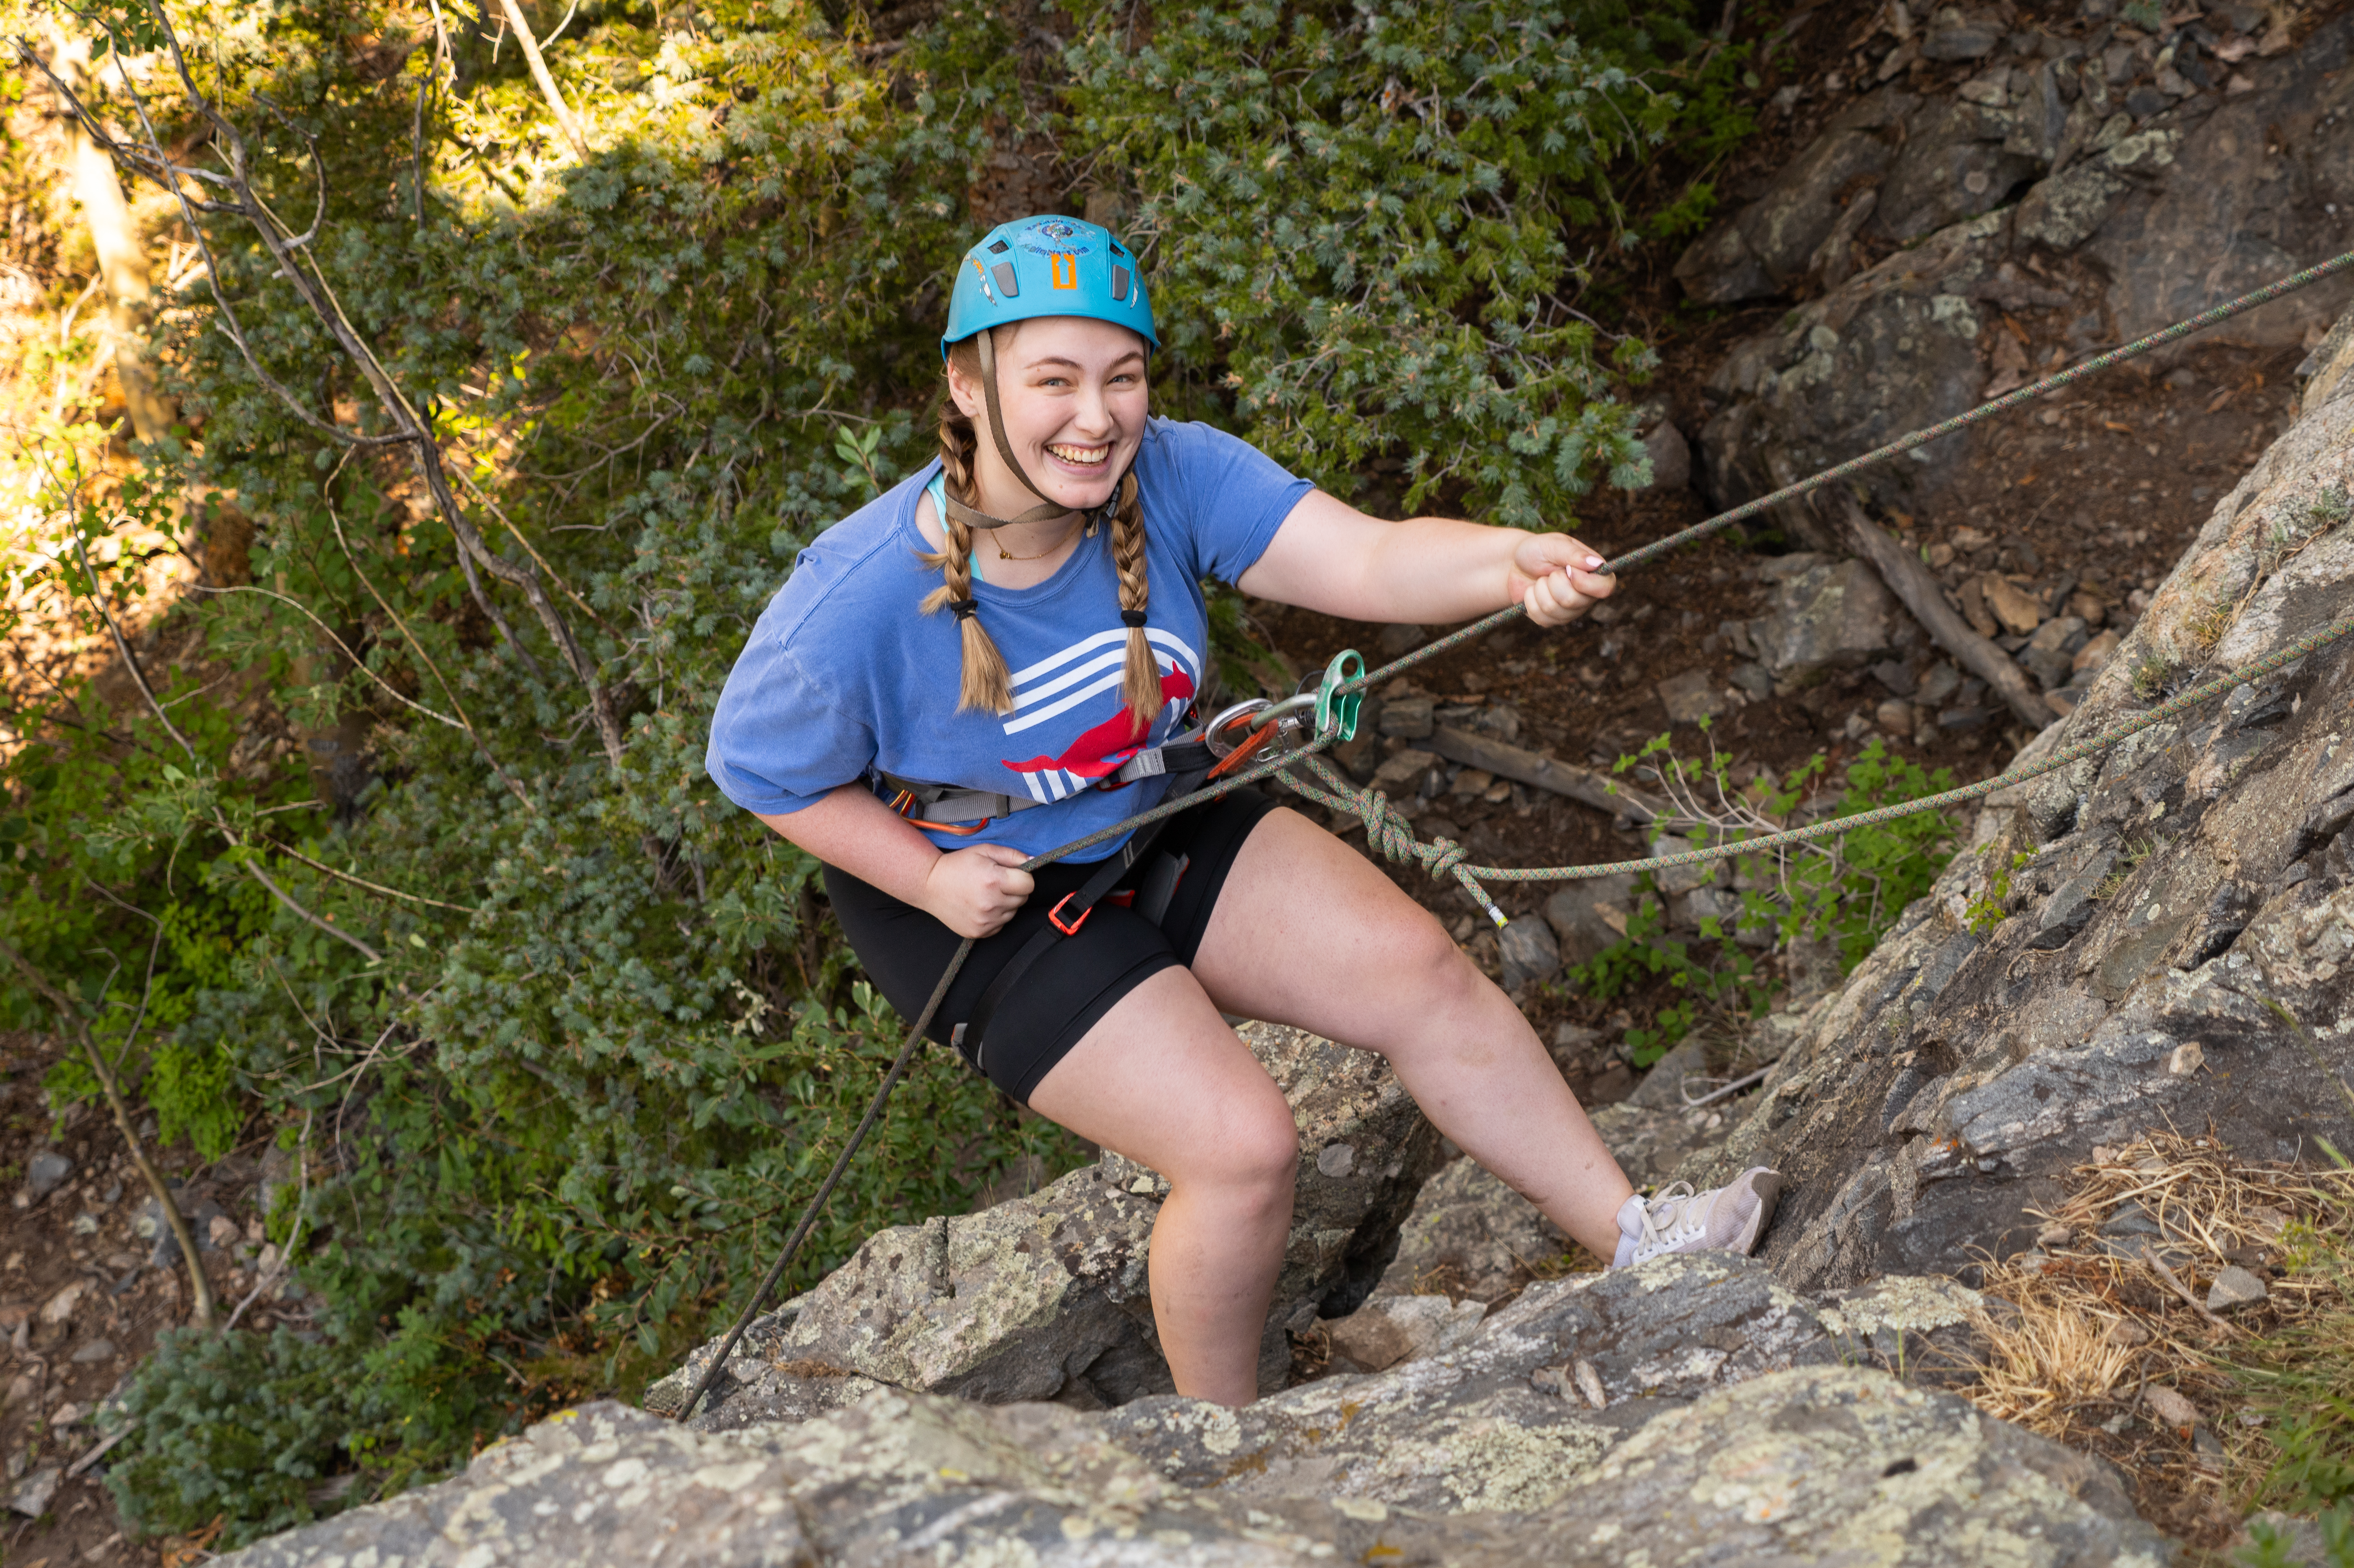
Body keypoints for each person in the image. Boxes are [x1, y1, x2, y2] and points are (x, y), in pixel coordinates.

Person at [707, 214, 1782, 1407]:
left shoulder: (1170, 472)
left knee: (1418, 969)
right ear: (967, 385)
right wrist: (926, 879)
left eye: (1122, 376)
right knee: (1241, 1152)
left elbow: (1368, 563)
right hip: (967, 899)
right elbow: (762, 773)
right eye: (1052, 379)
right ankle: (1217, 1457)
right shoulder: (851, 603)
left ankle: (1644, 1241)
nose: (1096, 415)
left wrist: (1508, 561)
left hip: (1139, 807)